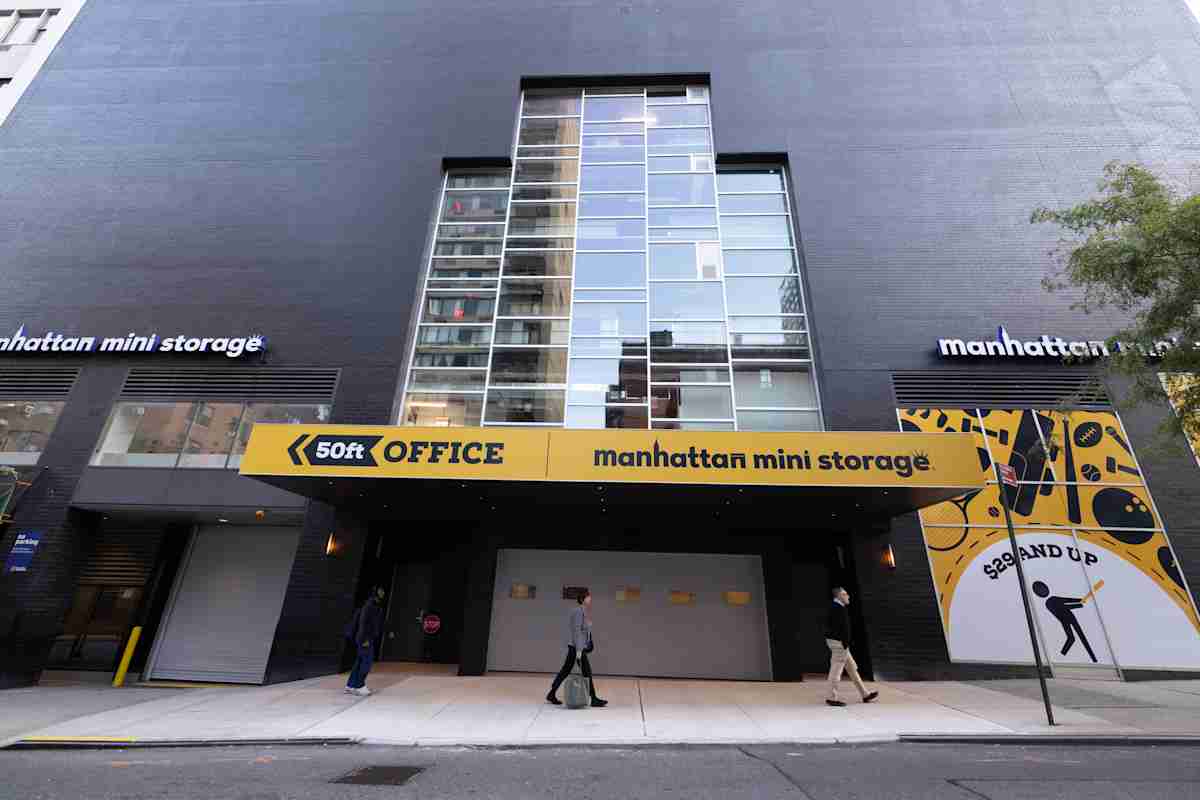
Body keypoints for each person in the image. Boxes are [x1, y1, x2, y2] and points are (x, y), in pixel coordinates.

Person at [546, 589, 607, 707]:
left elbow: (582, 630)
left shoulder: (583, 611)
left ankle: (551, 693)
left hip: (576, 647)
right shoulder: (578, 611)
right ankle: (593, 698)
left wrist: (588, 627)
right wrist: (579, 650)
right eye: (589, 597)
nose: (590, 599)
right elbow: (577, 632)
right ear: (583, 599)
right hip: (576, 648)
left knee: (566, 670)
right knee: (587, 672)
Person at [824, 586, 878, 707]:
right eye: (845, 594)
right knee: (836, 671)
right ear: (838, 596)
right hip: (840, 645)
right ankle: (831, 697)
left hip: (839, 644)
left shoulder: (836, 607)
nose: (848, 596)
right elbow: (840, 629)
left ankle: (865, 694)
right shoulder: (837, 608)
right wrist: (844, 643)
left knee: (852, 669)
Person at [1032, 580, 1098, 662]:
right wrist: (1079, 604)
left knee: (1075, 637)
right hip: (1067, 619)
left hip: (1067, 618)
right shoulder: (1051, 601)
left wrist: (1079, 601)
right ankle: (1062, 655)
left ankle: (1092, 658)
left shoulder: (1050, 602)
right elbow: (1064, 606)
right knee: (1074, 637)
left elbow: (1067, 600)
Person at [345, 586, 386, 697]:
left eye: (383, 591)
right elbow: (363, 623)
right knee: (366, 663)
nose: (382, 593)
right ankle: (359, 686)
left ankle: (350, 685)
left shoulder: (373, 605)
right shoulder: (370, 605)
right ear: (374, 592)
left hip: (364, 638)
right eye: (380, 591)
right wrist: (365, 639)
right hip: (365, 639)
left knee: (359, 662)